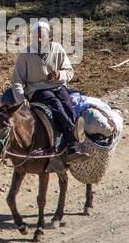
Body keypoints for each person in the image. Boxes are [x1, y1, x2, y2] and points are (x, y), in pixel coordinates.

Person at [9, 19, 88, 160]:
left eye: (42, 36)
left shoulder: (57, 49)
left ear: (49, 36)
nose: (39, 39)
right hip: (37, 90)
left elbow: (69, 71)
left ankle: (72, 147)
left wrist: (59, 74)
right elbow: (16, 81)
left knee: (67, 104)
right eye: (36, 36)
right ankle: (73, 133)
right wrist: (22, 101)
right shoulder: (25, 54)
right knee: (55, 103)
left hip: (57, 85)